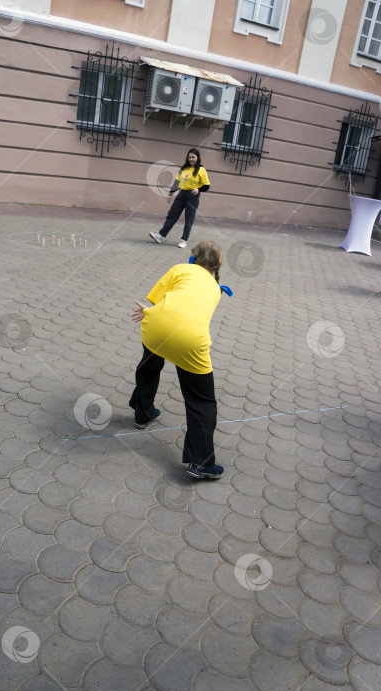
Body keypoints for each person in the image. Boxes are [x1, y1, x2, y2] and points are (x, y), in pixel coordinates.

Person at [129, 240, 225, 479]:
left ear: (192, 257)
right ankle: (201, 463)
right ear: (216, 266)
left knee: (149, 367)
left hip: (155, 326)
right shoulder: (215, 287)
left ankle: (143, 414)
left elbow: (158, 300)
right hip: (189, 340)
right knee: (201, 400)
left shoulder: (180, 268)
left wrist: (147, 313)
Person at [149, 148, 210, 249]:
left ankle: (183, 240)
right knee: (172, 214)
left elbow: (207, 186)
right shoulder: (183, 168)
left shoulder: (201, 170)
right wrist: (170, 193)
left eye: (193, 157)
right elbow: (177, 182)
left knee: (189, 218)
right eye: (189, 157)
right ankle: (160, 236)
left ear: (198, 158)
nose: (191, 159)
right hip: (182, 194)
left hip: (193, 196)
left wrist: (198, 189)